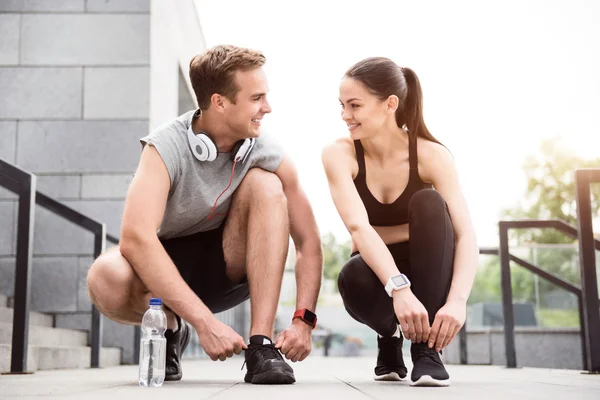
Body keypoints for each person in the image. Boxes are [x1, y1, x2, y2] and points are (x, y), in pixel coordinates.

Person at [87, 45, 323, 385]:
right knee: (105, 275)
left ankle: (261, 346)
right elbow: (136, 239)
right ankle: (170, 326)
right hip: (163, 270)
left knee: (265, 184)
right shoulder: (164, 148)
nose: (267, 108)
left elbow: (308, 242)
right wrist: (203, 323)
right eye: (257, 98)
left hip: (229, 265)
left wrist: (303, 321)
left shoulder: (267, 150)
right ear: (220, 102)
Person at [321, 57, 478, 387]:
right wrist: (398, 287)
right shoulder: (340, 154)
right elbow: (359, 229)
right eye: (342, 106)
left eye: (354, 105)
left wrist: (457, 303)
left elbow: (465, 236)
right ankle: (389, 335)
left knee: (430, 202)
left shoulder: (432, 155)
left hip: (430, 270)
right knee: (352, 275)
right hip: (376, 275)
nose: (345, 116)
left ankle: (425, 349)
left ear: (389, 104)